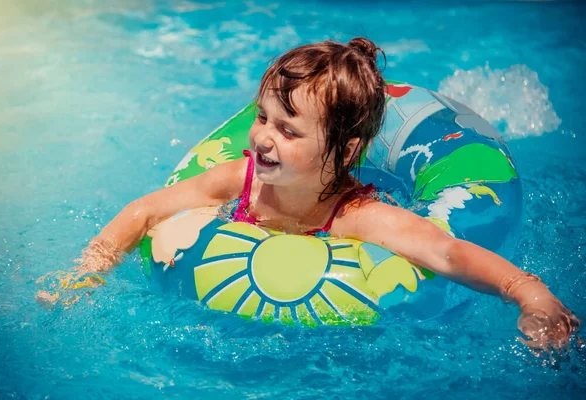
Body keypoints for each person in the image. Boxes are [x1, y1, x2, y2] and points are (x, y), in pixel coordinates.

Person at [37, 37, 579, 350]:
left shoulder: (358, 217)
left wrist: (528, 293)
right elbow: (148, 208)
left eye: (288, 131)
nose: (263, 137)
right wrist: (91, 268)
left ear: (344, 154)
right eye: (263, 118)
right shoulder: (240, 177)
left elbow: (445, 250)